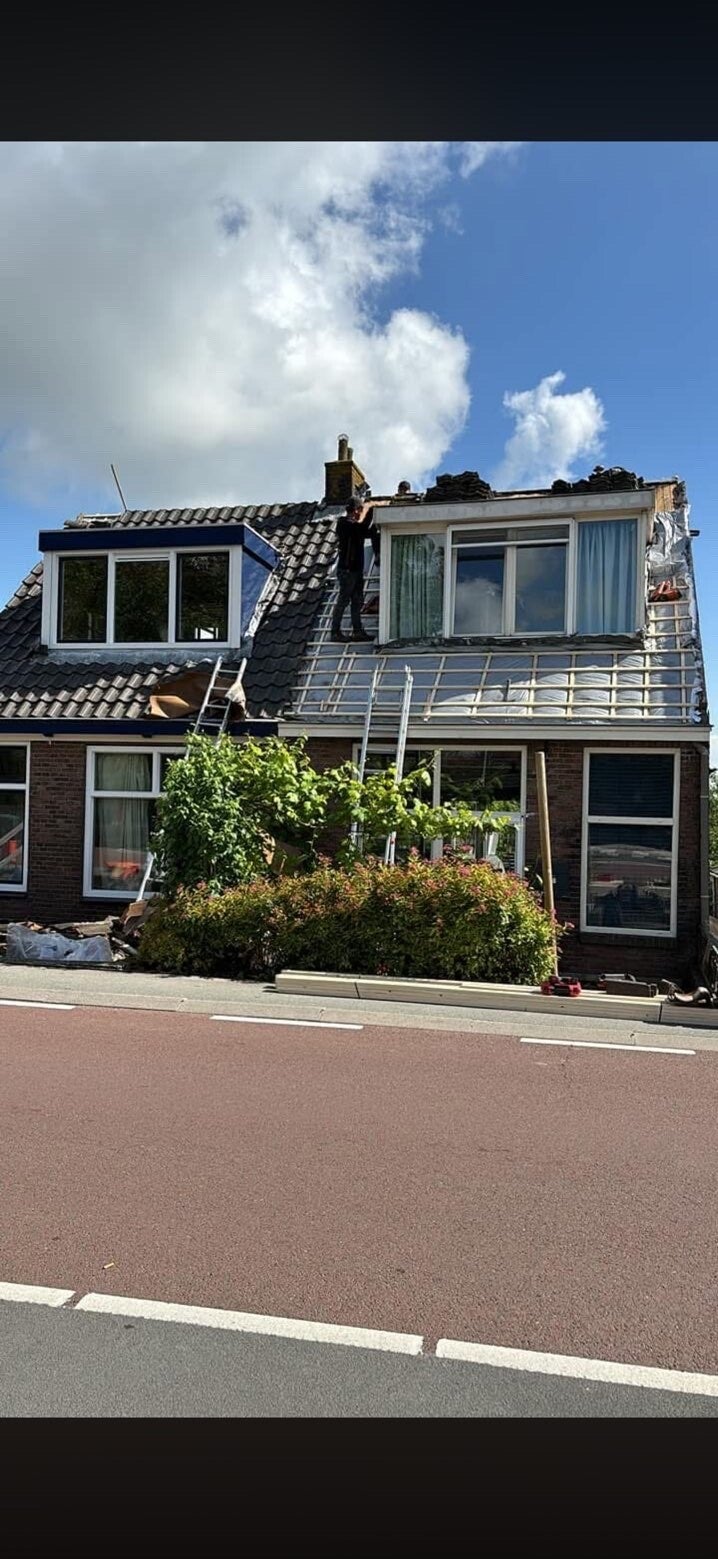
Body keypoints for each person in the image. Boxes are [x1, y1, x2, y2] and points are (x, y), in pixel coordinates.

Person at [330, 495, 379, 643]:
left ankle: (357, 631)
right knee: (344, 600)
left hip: (356, 570)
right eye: (360, 510)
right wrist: (370, 509)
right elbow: (361, 528)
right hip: (347, 570)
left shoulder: (355, 526)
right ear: (356, 510)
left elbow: (368, 531)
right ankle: (335, 632)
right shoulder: (344, 523)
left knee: (357, 601)